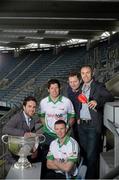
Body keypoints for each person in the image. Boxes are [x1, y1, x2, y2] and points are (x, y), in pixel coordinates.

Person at [77, 65, 114, 179]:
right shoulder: (81, 87)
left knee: (91, 156)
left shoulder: (98, 86)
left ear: (92, 73)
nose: (85, 75)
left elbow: (109, 96)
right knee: (83, 154)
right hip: (82, 125)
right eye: (83, 73)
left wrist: (97, 101)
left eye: (88, 72)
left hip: (93, 125)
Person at [38, 79, 75, 178]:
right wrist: (46, 126)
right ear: (48, 89)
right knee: (46, 162)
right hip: (48, 136)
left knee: (63, 160)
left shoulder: (67, 102)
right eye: (52, 88)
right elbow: (41, 115)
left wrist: (67, 127)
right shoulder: (43, 102)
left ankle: (64, 176)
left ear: (60, 88)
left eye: (56, 88)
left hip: (63, 136)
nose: (54, 90)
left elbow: (72, 116)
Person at [2, 96, 41, 164]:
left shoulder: (32, 119)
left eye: (34, 107)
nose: (32, 109)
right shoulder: (17, 117)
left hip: (26, 153)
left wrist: (35, 149)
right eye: (29, 106)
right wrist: (24, 133)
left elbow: (33, 135)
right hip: (14, 157)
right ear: (24, 107)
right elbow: (5, 129)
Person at [67, 71, 82, 141]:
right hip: (73, 119)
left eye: (75, 81)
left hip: (82, 120)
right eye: (71, 82)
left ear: (80, 80)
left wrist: (79, 117)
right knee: (76, 139)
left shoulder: (84, 90)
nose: (73, 84)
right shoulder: (69, 90)